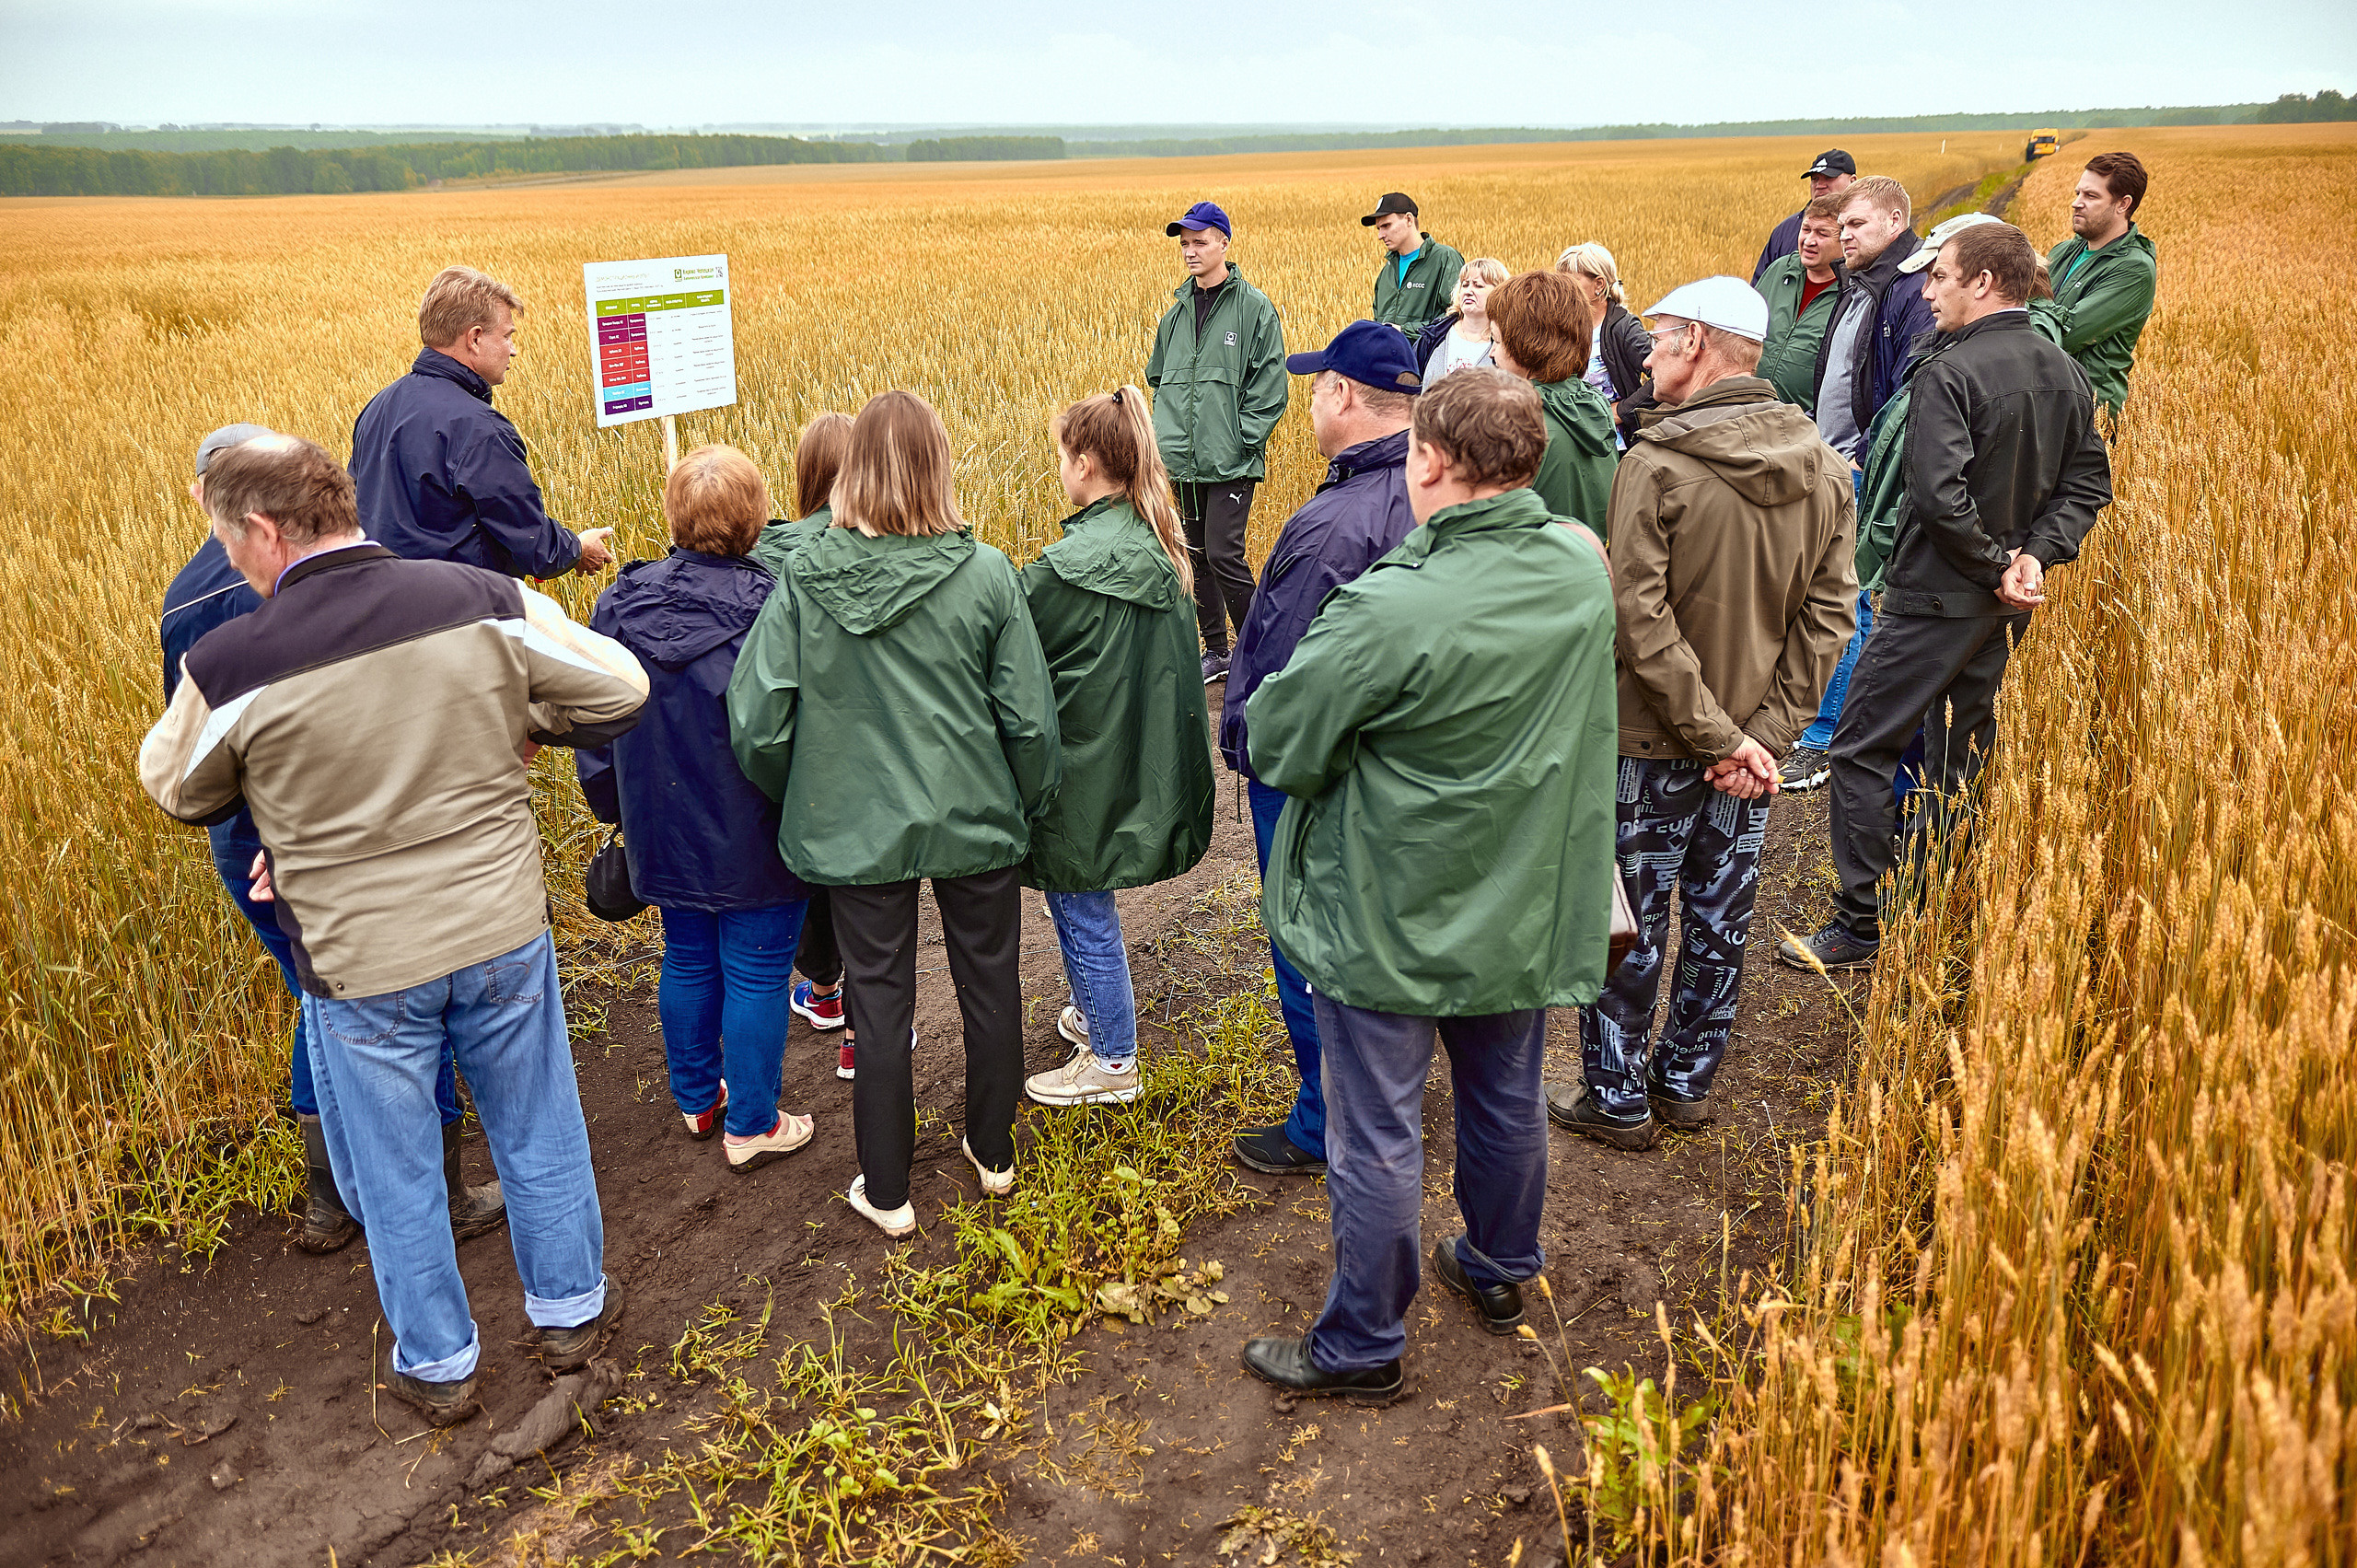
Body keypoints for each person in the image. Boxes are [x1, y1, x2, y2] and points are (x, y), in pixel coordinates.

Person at [138, 435, 647, 1426]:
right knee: (537, 1119)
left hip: (357, 957)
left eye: (231, 544)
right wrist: (522, 717)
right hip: (497, 923)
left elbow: (177, 785)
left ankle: (442, 1365)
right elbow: (619, 688)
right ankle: (572, 1315)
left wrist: (285, 807)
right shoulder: (481, 597)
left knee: (398, 1164)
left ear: (262, 529)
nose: (234, 566)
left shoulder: (231, 659)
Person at [1237, 368, 1618, 1401]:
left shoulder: (1388, 605)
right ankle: (1499, 1266)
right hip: (1524, 896)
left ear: (1430, 460)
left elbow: (1276, 737)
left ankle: (1362, 1341)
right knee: (1504, 1098)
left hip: (1390, 909)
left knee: (1377, 1131)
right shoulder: (1579, 572)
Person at [727, 391, 1061, 1237]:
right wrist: (1026, 799)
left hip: (855, 826)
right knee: (991, 983)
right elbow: (1028, 719)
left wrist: (805, 791)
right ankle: (994, 1154)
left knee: (880, 1005)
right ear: (939, 464)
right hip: (974, 814)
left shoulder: (802, 578)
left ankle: (889, 1189)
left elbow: (758, 719)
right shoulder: (987, 571)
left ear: (852, 475)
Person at [1543, 278, 1855, 1149]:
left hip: (1650, 740)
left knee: (1632, 923)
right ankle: (1687, 1082)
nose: (1645, 352)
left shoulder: (1656, 464)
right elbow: (1830, 617)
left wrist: (1718, 737)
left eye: (1660, 336)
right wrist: (1760, 740)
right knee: (1722, 916)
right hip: (1750, 752)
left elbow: (1638, 618)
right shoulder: (1825, 467)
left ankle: (1615, 1096)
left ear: (1700, 345)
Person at [1781, 222, 2112, 971]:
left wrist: (1997, 562)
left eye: (1941, 278)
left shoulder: (1949, 372)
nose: (1925, 293)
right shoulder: (2064, 369)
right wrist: (2031, 557)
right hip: (2002, 608)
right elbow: (2087, 483)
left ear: (1985, 283)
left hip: (1932, 599)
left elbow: (1937, 495)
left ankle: (1859, 923)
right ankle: (1933, 902)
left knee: (1862, 746)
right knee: (1957, 750)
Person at [162, 423, 382, 1254]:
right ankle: (432, 1185)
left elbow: (191, 753)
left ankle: (330, 1196)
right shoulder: (308, 569)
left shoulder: (183, 593)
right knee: (374, 979)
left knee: (315, 987)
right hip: (314, 813)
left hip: (236, 823)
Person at [1218, 321, 1423, 1177]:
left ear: (1342, 395)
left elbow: (1286, 681)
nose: (1308, 402)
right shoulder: (1431, 487)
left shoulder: (1332, 525)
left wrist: (1247, 744)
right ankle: (1389, 1086)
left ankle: (1324, 1118)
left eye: (1315, 387)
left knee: (1308, 947)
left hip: (1316, 782)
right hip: (1398, 774)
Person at [578, 447, 817, 1171]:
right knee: (754, 970)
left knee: (685, 954)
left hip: (659, 825)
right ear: (755, 520)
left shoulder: (619, 602)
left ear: (674, 517)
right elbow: (801, 726)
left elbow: (595, 718)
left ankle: (697, 1099)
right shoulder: (779, 605)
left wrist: (614, 804)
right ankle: (751, 1123)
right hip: (755, 828)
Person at [1020, 389, 1217, 1109]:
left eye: (1062, 457)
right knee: (1080, 900)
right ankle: (1096, 1016)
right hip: (1124, 754)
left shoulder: (1061, 566)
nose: (1060, 471)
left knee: (1077, 903)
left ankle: (1112, 1058)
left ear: (1087, 463)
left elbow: (1011, 655)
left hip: (1079, 766)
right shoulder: (1156, 539)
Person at [1780, 212, 2004, 795]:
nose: (1928, 289)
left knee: (1854, 601)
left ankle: (1834, 736)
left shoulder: (1924, 322)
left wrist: (1867, 457)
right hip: (1863, 471)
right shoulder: (1871, 287)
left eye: (1938, 275)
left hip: (1929, 551)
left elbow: (1934, 471)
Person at [351, 267, 615, 581]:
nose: (513, 350)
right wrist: (578, 549)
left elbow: (355, 509)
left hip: (380, 605)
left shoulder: (378, 406)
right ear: (474, 338)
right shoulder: (480, 430)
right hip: (458, 613)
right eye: (506, 336)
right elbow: (534, 545)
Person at [750, 412, 857, 1079]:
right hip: (862, 747)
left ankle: (823, 989)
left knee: (807, 872)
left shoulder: (765, 551)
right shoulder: (879, 545)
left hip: (796, 747)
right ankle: (863, 1037)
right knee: (869, 891)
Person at [1145, 203, 1290, 685]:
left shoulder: (1255, 307)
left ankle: (1257, 651)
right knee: (1194, 554)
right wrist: (1167, 439)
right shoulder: (1176, 312)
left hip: (1230, 460)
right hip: (1182, 461)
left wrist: (1240, 441)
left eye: (1200, 241)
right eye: (1184, 243)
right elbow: (1159, 378)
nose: (1190, 251)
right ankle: (1217, 651)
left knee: (1224, 552)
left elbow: (1271, 386)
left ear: (1224, 242)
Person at [1810, 176, 1934, 467]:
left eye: (1856, 224)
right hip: (1829, 464)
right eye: (1842, 227)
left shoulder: (1917, 287)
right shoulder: (1857, 279)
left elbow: (1912, 389)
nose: (1844, 236)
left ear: (1894, 222)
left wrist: (1863, 458)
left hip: (1860, 472)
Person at [1486, 271, 1618, 541]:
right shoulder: (1592, 409)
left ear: (1528, 346)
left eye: (1497, 340)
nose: (1491, 353)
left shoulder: (1521, 430)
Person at [2040, 152, 2157, 422]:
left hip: (2088, 411)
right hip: (2046, 398)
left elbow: (2064, 333)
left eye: (2090, 196)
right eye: (2078, 193)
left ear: (2123, 204)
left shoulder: (2135, 270)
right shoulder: (2063, 251)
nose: (2076, 203)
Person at [1555, 242, 1657, 447]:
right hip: (1572, 440)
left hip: (1615, 445)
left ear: (1599, 285)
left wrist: (1621, 411)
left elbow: (1667, 377)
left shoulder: (1624, 328)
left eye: (1570, 283)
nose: (1562, 291)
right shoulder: (1561, 326)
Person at [1757, 193, 1847, 413]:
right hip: (1750, 410)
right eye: (1806, 229)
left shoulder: (1851, 293)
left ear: (1845, 239)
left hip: (1804, 425)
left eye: (1822, 233)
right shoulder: (1779, 270)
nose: (1809, 241)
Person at [1364, 192, 1467, 330]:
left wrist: (1403, 332)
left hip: (1426, 352)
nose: (1380, 236)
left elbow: (1456, 316)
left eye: (1386, 226)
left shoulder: (1445, 259)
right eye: (1379, 228)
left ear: (1409, 220)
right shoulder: (1387, 271)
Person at [1753, 149, 1856, 283]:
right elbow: (1761, 284)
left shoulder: (1865, 230)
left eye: (1829, 178)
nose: (1819, 185)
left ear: (1852, 181)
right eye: (1815, 179)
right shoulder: (1785, 230)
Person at [1410, 257, 1509, 385]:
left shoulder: (1506, 345)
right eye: (1465, 285)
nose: (1468, 291)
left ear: (1498, 293)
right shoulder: (1435, 335)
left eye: (1478, 286)